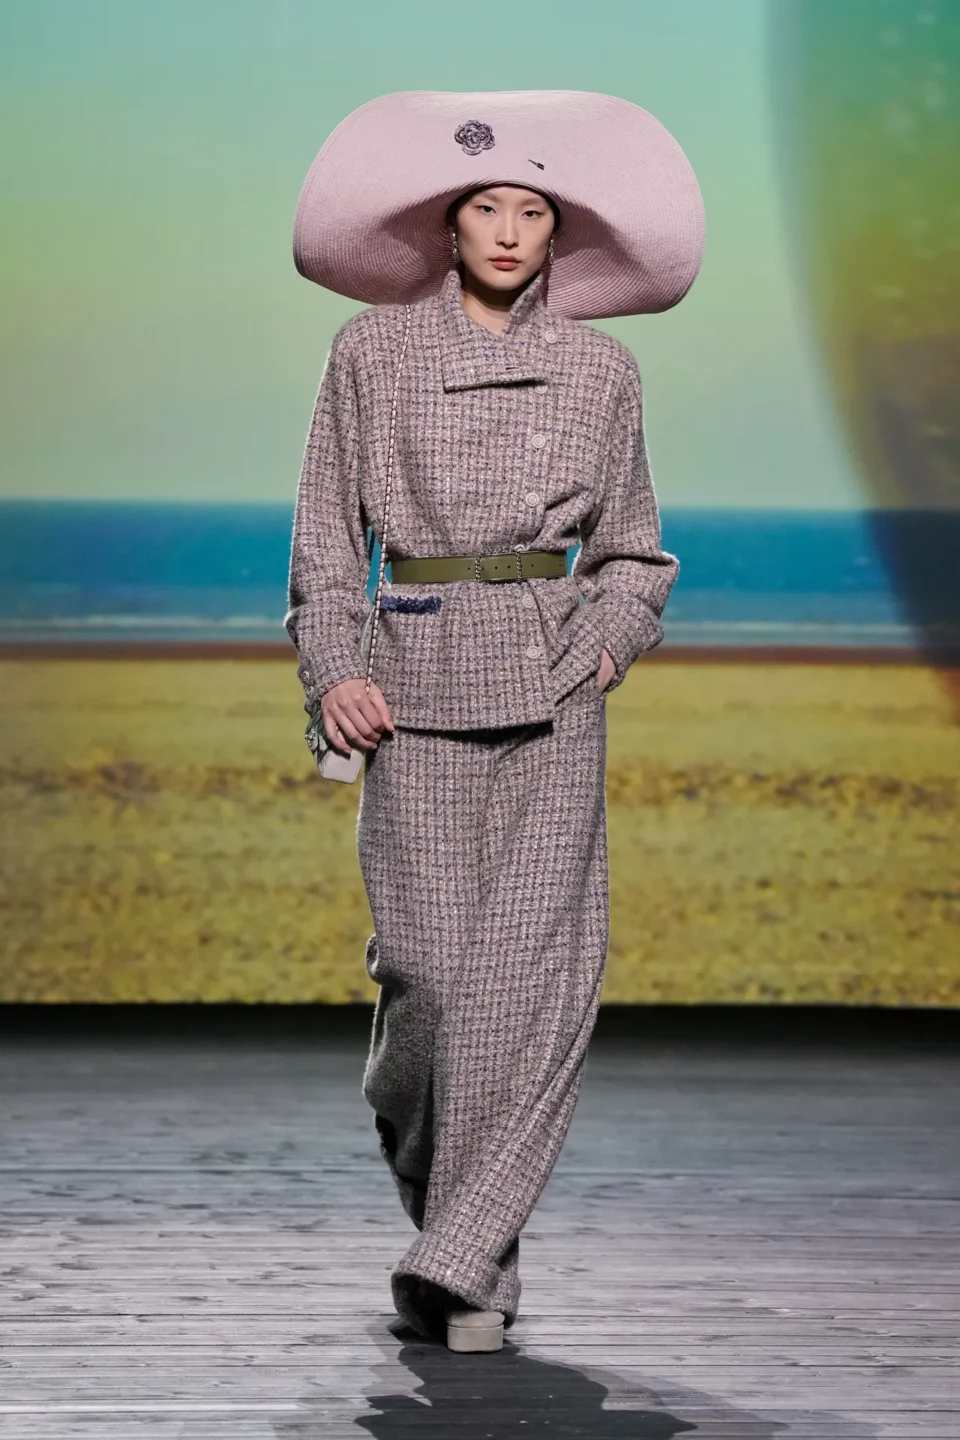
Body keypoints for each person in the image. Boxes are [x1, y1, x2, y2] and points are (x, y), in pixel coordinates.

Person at [285, 90, 704, 1352]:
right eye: (486, 207)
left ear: (559, 230)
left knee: (526, 989)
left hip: (551, 694)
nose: (510, 231)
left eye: (533, 210)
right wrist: (334, 671)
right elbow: (326, 542)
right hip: (409, 690)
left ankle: (467, 1268)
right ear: (448, 222)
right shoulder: (370, 354)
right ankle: (435, 1172)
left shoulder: (602, 370)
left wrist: (605, 646)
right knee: (427, 980)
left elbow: (634, 554)